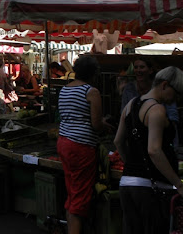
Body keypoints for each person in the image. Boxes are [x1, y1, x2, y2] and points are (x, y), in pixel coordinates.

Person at [114, 66, 183, 234]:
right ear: (165, 85)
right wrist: (178, 184)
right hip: (151, 188)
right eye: (176, 93)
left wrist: (131, 164)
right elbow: (154, 150)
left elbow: (118, 141)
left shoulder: (131, 104)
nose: (175, 99)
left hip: (127, 183)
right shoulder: (157, 110)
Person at [57, 56, 113, 234]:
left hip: (64, 142)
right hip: (81, 146)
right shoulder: (91, 91)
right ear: (94, 74)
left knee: (72, 192)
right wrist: (105, 125)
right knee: (80, 198)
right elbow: (96, 124)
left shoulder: (64, 90)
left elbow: (70, 116)